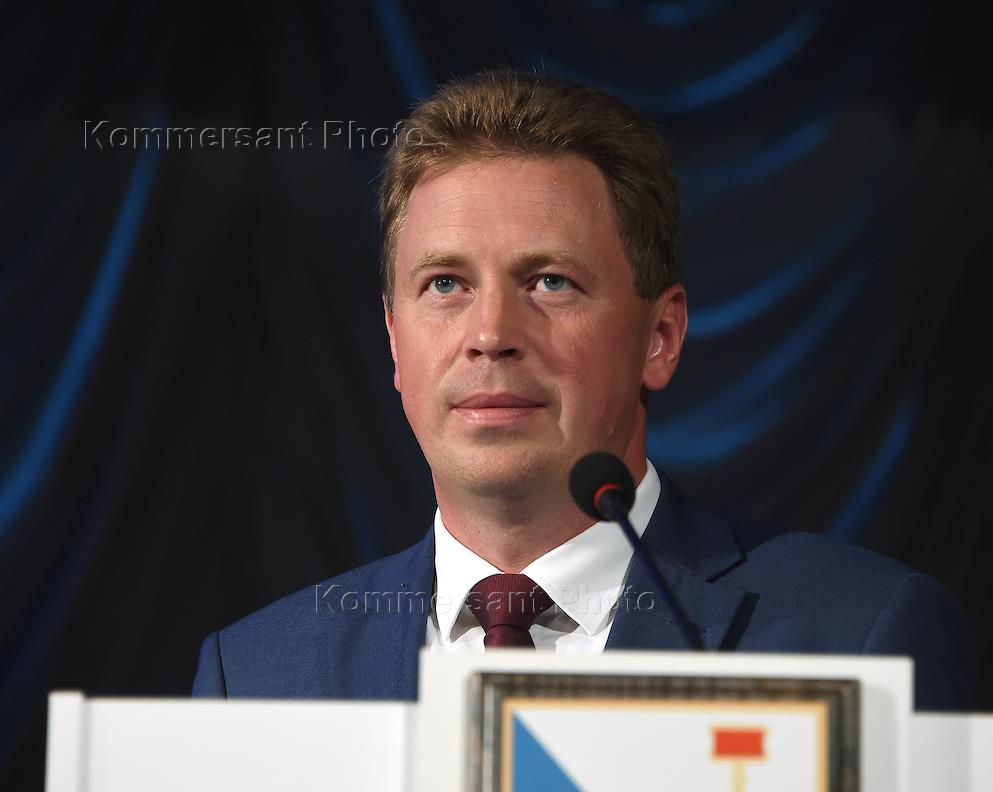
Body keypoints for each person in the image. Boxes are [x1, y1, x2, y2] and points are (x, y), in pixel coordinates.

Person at [193, 69, 972, 711]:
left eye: (550, 281)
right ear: (396, 341)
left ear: (659, 337)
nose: (490, 333)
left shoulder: (859, 636)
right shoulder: (255, 677)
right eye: (445, 284)